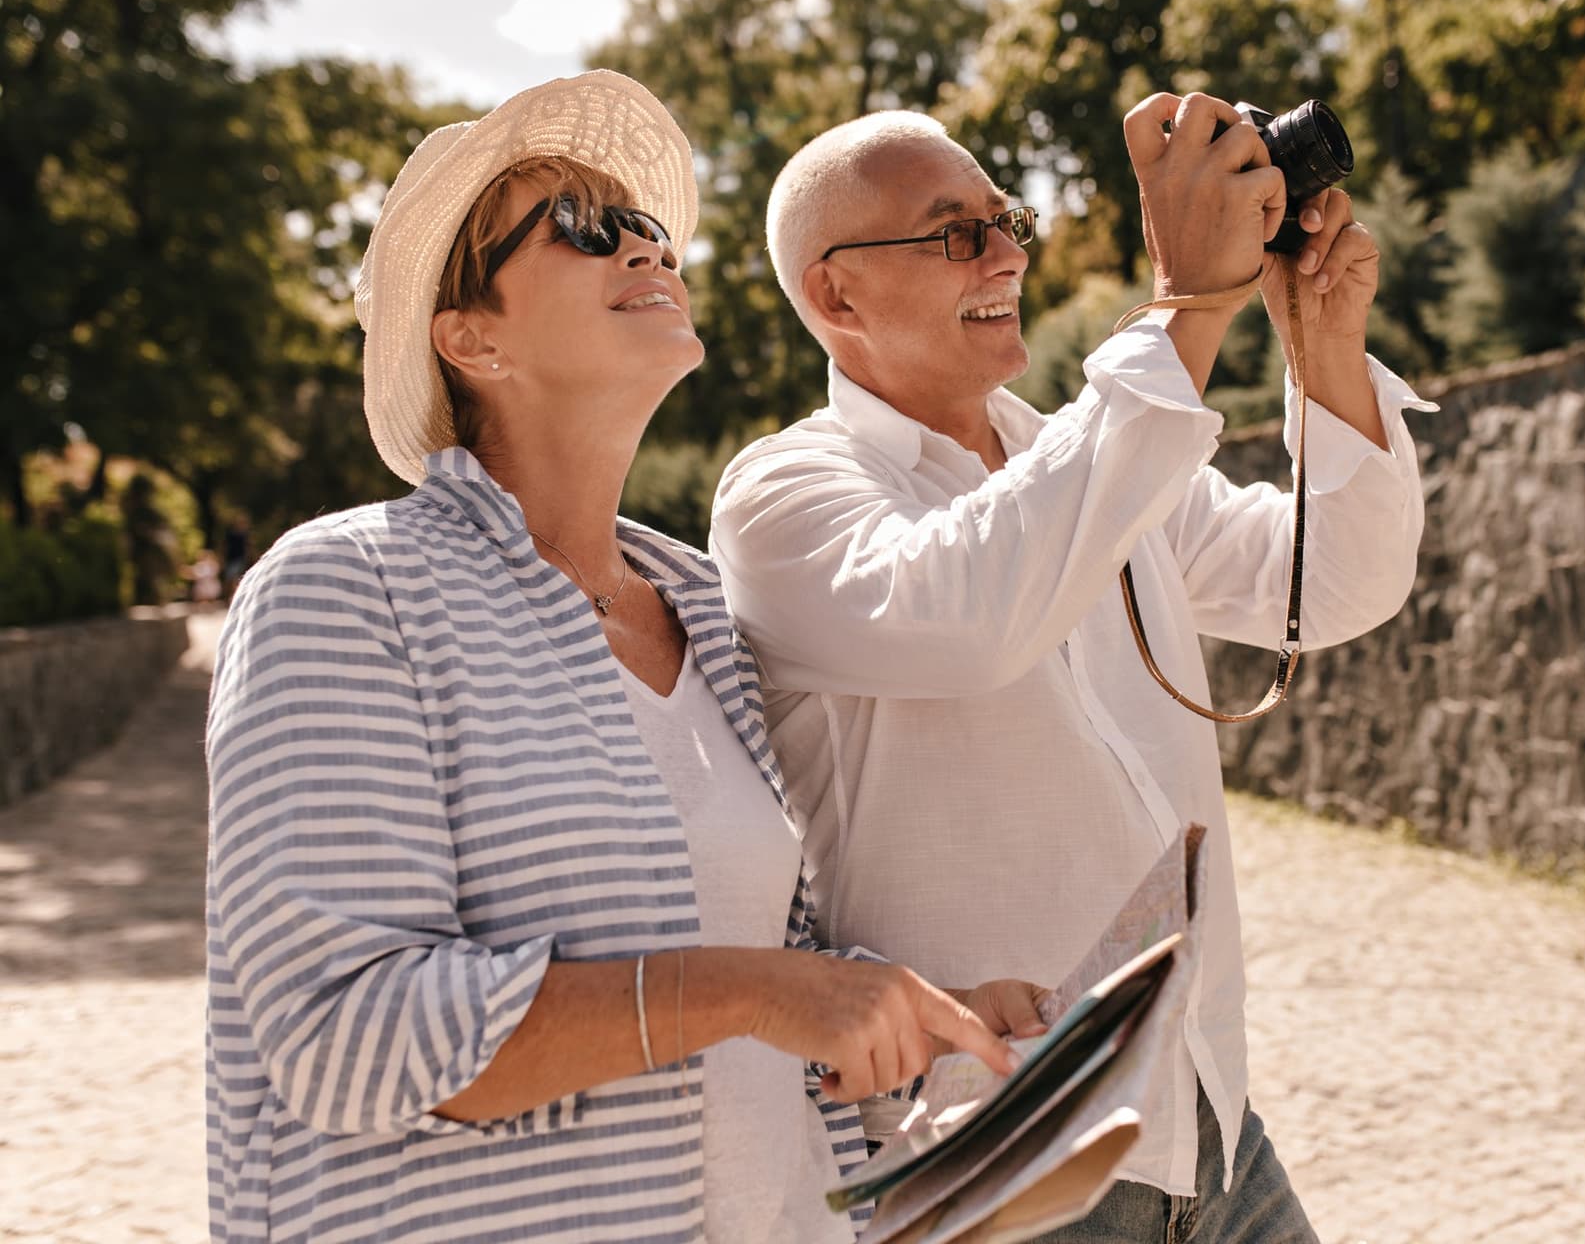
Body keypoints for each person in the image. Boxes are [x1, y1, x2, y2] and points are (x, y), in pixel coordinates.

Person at [203, 71, 1046, 1244]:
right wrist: (759, 989)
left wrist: (906, 1016)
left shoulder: (702, 607)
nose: (644, 245)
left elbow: (758, 997)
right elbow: (344, 1033)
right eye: (581, 226)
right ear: (472, 337)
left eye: (644, 224)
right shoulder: (348, 588)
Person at [709, 94, 1438, 1240]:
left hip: (1205, 1113)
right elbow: (975, 613)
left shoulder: (1083, 449)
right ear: (835, 294)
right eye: (957, 233)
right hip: (1005, 1153)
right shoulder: (781, 496)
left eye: (1005, 221)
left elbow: (1331, 581)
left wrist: (1325, 351)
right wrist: (1187, 304)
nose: (1006, 256)